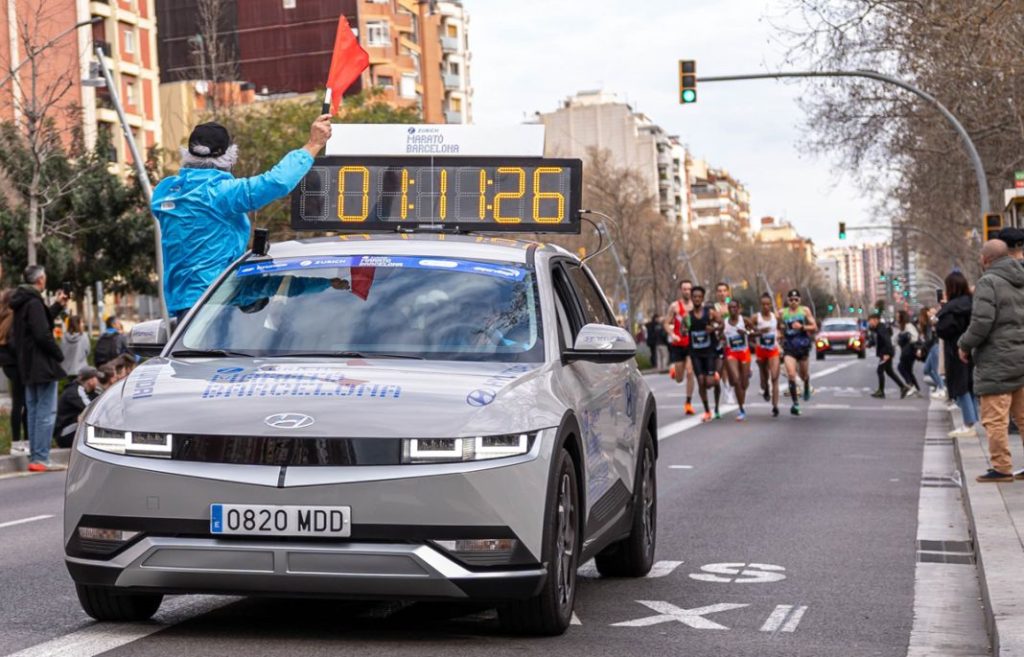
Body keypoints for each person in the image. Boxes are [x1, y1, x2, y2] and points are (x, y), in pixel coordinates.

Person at [152, 114, 333, 321]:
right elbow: (277, 182)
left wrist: (326, 283)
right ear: (230, 156)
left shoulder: (164, 191)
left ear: (188, 154)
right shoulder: (220, 193)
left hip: (183, 305)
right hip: (214, 302)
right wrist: (313, 144)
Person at [956, 240, 1024, 483]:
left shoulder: (988, 282)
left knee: (995, 419)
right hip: (1021, 357)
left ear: (986, 259)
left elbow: (982, 322)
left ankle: (1002, 468)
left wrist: (964, 344)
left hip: (997, 360)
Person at [9, 265, 67, 471]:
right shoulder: (33, 302)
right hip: (42, 365)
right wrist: (59, 355)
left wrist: (57, 306)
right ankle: (42, 458)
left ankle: (36, 457)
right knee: (45, 412)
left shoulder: (22, 302)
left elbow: (37, 325)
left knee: (33, 411)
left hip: (27, 365)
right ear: (40, 280)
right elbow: (42, 333)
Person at [937, 272, 980, 438]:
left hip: (956, 352)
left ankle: (968, 424)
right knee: (969, 386)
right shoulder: (972, 303)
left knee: (961, 387)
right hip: (972, 350)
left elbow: (943, 330)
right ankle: (972, 421)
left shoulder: (952, 308)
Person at [778, 289, 817, 415]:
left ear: (800, 300)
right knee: (791, 375)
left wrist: (802, 327)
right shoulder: (782, 313)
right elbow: (775, 325)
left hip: (802, 345)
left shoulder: (804, 311)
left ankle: (806, 384)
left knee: (804, 375)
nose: (793, 302)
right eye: (791, 300)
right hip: (789, 347)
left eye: (796, 300)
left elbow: (814, 327)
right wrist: (778, 333)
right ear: (787, 300)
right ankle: (795, 404)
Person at [686, 286, 721, 423]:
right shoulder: (688, 316)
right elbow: (683, 329)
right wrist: (683, 330)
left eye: (699, 297)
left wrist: (713, 328)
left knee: (711, 382)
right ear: (692, 298)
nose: (697, 299)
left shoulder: (710, 313)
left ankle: (717, 405)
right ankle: (707, 411)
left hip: (710, 352)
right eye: (694, 296)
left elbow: (722, 324)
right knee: (701, 381)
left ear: (703, 298)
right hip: (695, 353)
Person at [664, 279, 697, 415]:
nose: (687, 291)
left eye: (689, 289)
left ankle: (688, 403)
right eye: (684, 289)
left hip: (691, 345)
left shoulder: (696, 306)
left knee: (690, 372)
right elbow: (666, 323)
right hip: (678, 344)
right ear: (681, 290)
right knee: (679, 379)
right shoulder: (675, 306)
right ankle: (674, 371)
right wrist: (672, 334)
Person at [0, 287, 28, 451]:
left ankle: (16, 442)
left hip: (7, 365)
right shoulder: (13, 317)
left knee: (18, 402)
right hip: (16, 365)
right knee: (23, 403)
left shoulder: (3, 314)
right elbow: (14, 344)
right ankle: (21, 443)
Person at [54, 366, 102, 448]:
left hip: (71, 431)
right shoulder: (75, 391)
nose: (98, 381)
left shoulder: (91, 392)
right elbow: (92, 408)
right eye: (96, 378)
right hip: (63, 435)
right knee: (87, 416)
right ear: (91, 380)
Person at [868, 313, 911, 399]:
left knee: (880, 371)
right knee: (889, 372)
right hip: (885, 353)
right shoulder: (877, 328)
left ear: (876, 320)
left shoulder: (881, 328)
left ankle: (881, 391)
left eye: (870, 321)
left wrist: (887, 353)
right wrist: (869, 344)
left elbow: (887, 341)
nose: (870, 323)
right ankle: (903, 387)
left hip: (886, 353)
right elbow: (878, 340)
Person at [723, 298, 752, 421]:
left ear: (739, 308)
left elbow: (754, 331)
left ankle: (746, 378)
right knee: (736, 380)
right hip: (732, 353)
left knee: (744, 383)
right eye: (730, 308)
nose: (732, 310)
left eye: (735, 307)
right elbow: (719, 334)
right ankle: (741, 409)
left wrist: (746, 332)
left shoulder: (744, 320)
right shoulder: (724, 322)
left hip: (744, 352)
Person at [754, 293, 782, 417]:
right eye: (763, 304)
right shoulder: (756, 317)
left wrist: (780, 335)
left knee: (775, 377)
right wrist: (759, 332)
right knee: (764, 379)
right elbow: (748, 332)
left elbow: (781, 329)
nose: (766, 306)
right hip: (761, 349)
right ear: (760, 305)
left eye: (768, 304)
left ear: (771, 305)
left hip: (773, 349)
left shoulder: (775, 316)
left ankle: (775, 406)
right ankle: (765, 389)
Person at [917, 307, 945, 399]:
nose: (930, 312)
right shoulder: (927, 323)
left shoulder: (931, 322)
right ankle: (941, 386)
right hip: (932, 347)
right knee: (926, 369)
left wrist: (921, 348)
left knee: (935, 369)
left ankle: (942, 388)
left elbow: (929, 338)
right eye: (929, 311)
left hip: (934, 346)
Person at [895, 310, 921, 396]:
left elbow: (915, 337)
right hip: (906, 351)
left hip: (909, 351)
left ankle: (911, 385)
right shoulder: (902, 326)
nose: (897, 317)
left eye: (898, 316)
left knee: (901, 367)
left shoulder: (908, 325)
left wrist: (905, 338)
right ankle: (916, 388)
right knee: (908, 370)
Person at [60, 315, 90, 383]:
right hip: (81, 369)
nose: (83, 324)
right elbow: (87, 351)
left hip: (67, 370)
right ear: (77, 324)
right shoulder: (84, 336)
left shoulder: (64, 337)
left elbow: (61, 352)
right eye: (82, 322)